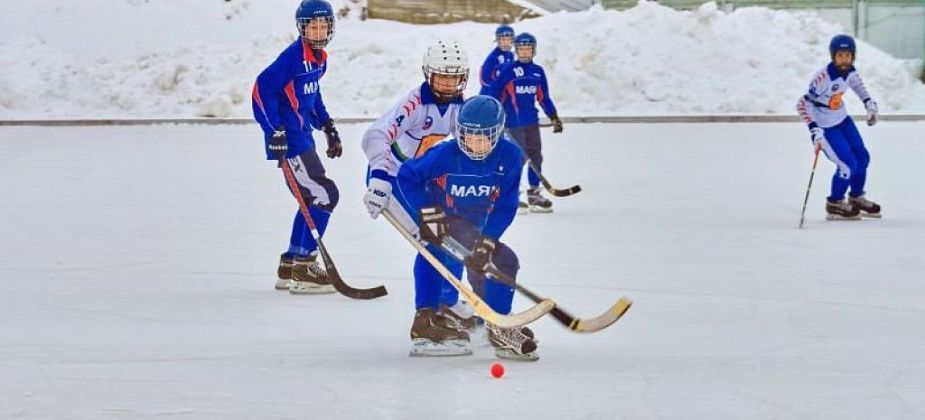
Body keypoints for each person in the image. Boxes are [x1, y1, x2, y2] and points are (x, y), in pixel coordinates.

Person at [391, 95, 539, 360]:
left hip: (478, 224)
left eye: (483, 138)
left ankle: (497, 320)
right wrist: (426, 211)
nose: (474, 144)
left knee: (501, 260)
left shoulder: (510, 156)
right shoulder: (445, 154)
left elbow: (506, 204)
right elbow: (407, 176)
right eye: (468, 136)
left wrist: (489, 239)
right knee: (437, 251)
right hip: (446, 219)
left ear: (497, 134)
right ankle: (426, 320)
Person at [360, 40, 478, 326]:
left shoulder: (460, 107)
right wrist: (379, 178)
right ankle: (426, 317)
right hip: (392, 178)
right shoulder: (414, 104)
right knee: (432, 239)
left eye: (455, 77)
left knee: (454, 236)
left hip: (419, 181)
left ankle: (447, 302)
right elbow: (375, 136)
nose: (449, 84)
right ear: (428, 74)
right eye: (442, 76)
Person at [252, 0, 343, 293]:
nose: (317, 32)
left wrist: (328, 126)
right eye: (311, 27)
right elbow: (261, 90)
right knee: (325, 194)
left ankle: (291, 263)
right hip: (290, 142)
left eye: (322, 26)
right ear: (302, 29)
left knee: (309, 197)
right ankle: (304, 267)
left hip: (303, 138)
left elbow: (311, 97)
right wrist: (274, 131)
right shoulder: (292, 57)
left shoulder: (318, 59)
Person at [797, 34, 881, 220]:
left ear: (853, 56)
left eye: (848, 55)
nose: (844, 59)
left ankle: (856, 197)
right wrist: (813, 129)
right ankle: (834, 203)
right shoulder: (822, 79)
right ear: (833, 56)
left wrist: (869, 104)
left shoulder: (851, 72)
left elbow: (858, 86)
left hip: (843, 120)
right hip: (825, 127)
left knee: (862, 158)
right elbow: (802, 104)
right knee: (847, 165)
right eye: (840, 55)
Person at [481, 32, 562, 213]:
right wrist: (495, 115)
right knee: (516, 159)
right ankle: (511, 195)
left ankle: (534, 194)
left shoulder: (538, 72)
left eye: (528, 49)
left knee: (536, 157)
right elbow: (493, 93)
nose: (525, 52)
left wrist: (554, 117)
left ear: (534, 51)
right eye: (521, 49)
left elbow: (543, 98)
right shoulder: (508, 70)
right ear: (516, 51)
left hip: (531, 122)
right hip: (512, 124)